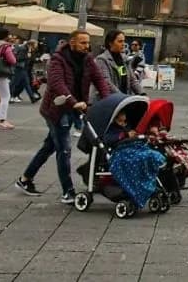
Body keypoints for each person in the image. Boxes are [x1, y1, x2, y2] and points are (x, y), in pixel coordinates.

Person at [16, 29, 115, 202]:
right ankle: (68, 191)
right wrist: (72, 101)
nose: (87, 46)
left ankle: (25, 179)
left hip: (75, 108)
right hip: (56, 108)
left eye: (88, 42)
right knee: (64, 148)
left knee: (50, 146)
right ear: (72, 43)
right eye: (83, 42)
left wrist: (107, 100)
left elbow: (99, 79)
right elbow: (57, 84)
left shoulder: (88, 59)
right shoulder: (57, 59)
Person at [95, 30, 143, 96]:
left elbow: (132, 80)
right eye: (120, 41)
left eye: (124, 41)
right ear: (110, 43)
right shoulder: (102, 59)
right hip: (110, 99)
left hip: (125, 97)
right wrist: (122, 97)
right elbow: (107, 82)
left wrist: (142, 94)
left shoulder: (124, 58)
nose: (123, 44)